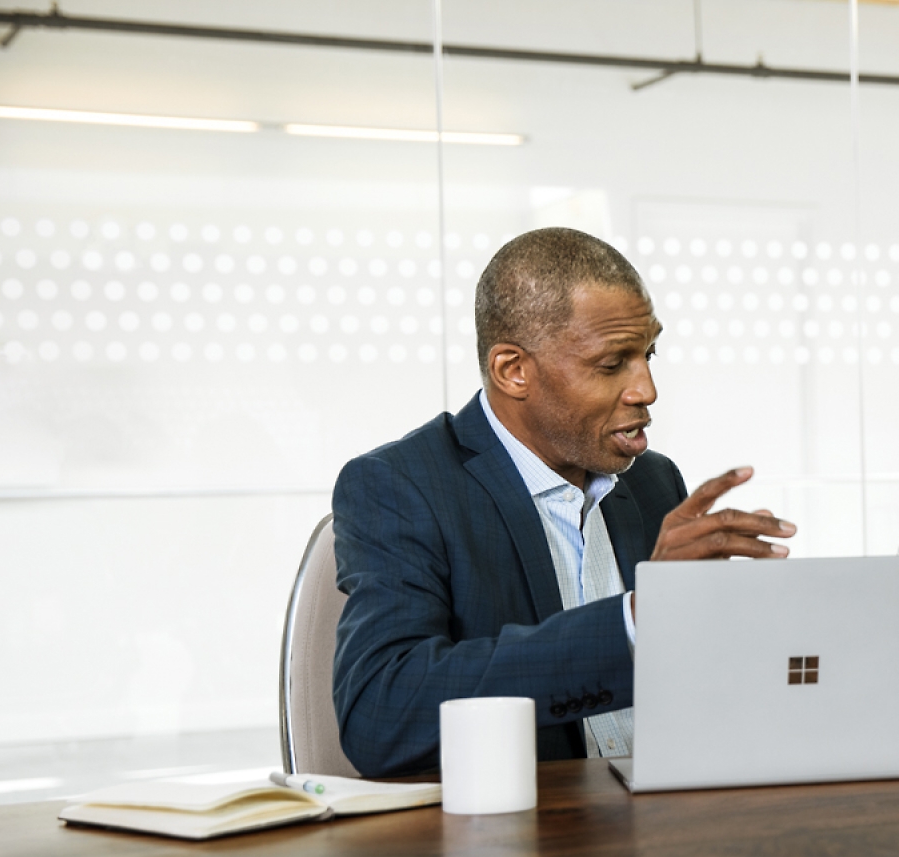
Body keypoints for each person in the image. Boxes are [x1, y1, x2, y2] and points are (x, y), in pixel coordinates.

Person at [330, 227, 797, 777]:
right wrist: (635, 619)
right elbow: (381, 713)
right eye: (611, 363)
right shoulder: (400, 485)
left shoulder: (653, 482)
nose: (646, 389)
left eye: (648, 353)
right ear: (513, 371)